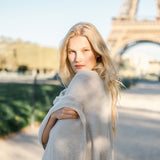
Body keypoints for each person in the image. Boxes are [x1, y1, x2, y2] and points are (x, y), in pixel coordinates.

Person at [38, 22, 120, 160]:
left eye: (85, 50)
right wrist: (54, 116)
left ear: (97, 53)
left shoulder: (85, 77)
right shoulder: (100, 85)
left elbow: (55, 143)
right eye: (72, 52)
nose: (78, 59)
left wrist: (52, 117)